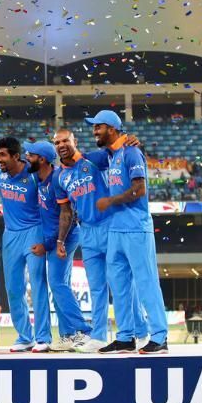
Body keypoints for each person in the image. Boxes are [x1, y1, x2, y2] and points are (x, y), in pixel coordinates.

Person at [53, 130, 150, 353]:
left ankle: (141, 332)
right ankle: (98, 336)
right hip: (86, 233)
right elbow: (66, 211)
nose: (61, 145)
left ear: (74, 142)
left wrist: (130, 140)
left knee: (121, 284)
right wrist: (61, 239)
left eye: (65, 141)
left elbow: (119, 152)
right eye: (57, 143)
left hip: (110, 226)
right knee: (96, 287)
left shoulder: (95, 159)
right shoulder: (60, 177)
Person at [91, 109, 169, 354]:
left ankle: (159, 337)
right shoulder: (111, 155)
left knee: (146, 283)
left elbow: (140, 190)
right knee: (120, 286)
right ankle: (125, 337)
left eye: (98, 127)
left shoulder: (131, 152)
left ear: (112, 129)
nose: (94, 131)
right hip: (116, 230)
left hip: (136, 228)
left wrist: (110, 201)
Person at [26, 140, 92, 352]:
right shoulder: (39, 177)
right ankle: (68, 335)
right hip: (56, 238)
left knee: (58, 284)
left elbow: (68, 215)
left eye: (31, 155)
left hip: (64, 236)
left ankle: (83, 331)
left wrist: (52, 244)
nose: (27, 157)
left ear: (42, 159)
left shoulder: (55, 179)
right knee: (59, 283)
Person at [0, 137, 46, 352]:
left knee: (38, 285)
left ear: (17, 156)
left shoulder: (34, 175)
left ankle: (42, 337)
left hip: (34, 232)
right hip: (10, 235)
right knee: (13, 288)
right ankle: (25, 336)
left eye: (3, 155)